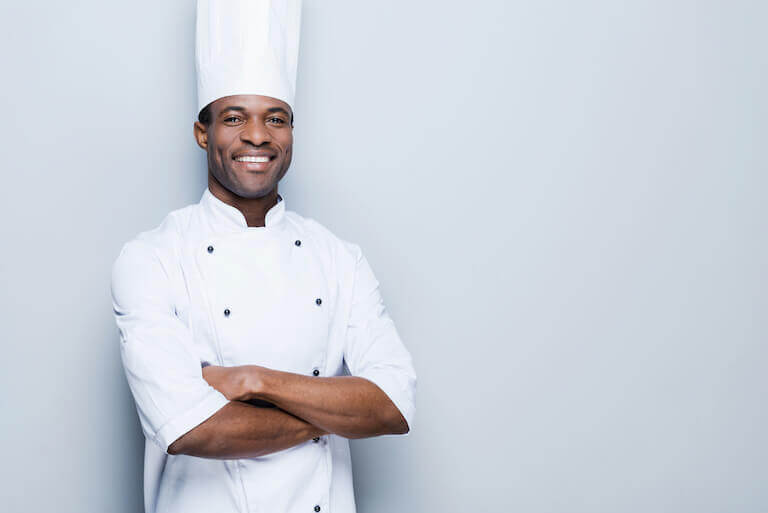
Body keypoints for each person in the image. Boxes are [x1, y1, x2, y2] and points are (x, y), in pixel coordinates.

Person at [109, 1, 417, 512]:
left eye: (275, 118)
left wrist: (256, 381)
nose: (257, 136)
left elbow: (393, 405)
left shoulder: (339, 259)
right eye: (235, 118)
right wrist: (334, 414)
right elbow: (193, 429)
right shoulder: (152, 259)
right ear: (202, 132)